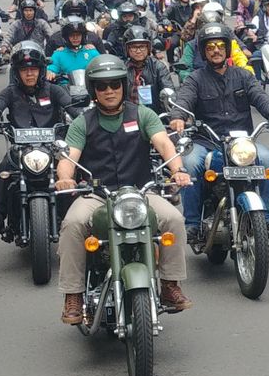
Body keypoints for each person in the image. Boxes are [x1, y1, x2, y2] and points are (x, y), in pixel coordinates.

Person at [56, 54, 193, 322]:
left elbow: (164, 144)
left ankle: (169, 284)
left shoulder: (143, 114)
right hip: (97, 194)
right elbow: (68, 158)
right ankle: (73, 295)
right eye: (102, 86)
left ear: (123, 85)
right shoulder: (82, 122)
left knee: (174, 219)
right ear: (94, 90)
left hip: (141, 193)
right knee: (72, 223)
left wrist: (178, 170)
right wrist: (66, 178)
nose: (109, 91)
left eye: (115, 85)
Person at [169, 22, 269, 241]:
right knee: (188, 164)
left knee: (266, 159)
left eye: (219, 46)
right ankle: (192, 224)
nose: (215, 50)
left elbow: (260, 97)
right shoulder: (195, 79)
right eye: (210, 47)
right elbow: (184, 98)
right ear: (204, 52)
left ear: (227, 48)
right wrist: (178, 117)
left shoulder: (243, 76)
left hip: (242, 143)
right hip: (207, 141)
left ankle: (267, 219)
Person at [0, 41, 80, 231]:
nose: (29, 73)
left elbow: (71, 108)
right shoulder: (10, 92)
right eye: (24, 70)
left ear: (41, 70)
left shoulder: (54, 90)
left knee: (73, 167)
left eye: (34, 69)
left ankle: (76, 209)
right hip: (20, 149)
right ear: (16, 72)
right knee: (4, 167)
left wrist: (83, 119)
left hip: (53, 147)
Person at [123, 26, 174, 114]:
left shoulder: (158, 67)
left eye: (142, 47)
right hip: (128, 116)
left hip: (154, 116)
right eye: (134, 47)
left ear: (148, 48)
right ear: (127, 49)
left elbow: (168, 90)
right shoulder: (122, 69)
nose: (138, 51)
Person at [46, 16, 100, 81]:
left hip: (88, 87)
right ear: (66, 37)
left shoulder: (92, 52)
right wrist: (50, 72)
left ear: (83, 36)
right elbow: (52, 67)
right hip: (65, 88)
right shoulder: (58, 54)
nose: (75, 38)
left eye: (78, 35)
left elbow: (101, 67)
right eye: (72, 35)